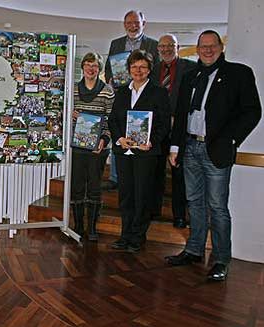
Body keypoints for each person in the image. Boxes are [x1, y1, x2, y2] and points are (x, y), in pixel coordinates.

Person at [165, 30, 261, 281]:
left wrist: (231, 139)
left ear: (221, 47)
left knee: (217, 207)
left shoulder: (238, 74)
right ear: (196, 49)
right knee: (194, 203)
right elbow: (180, 115)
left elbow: (252, 111)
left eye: (212, 46)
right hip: (189, 148)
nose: (207, 50)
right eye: (203, 46)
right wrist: (175, 147)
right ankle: (194, 250)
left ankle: (220, 259)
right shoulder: (189, 77)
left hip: (216, 150)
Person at [108, 50, 170, 253]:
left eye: (142, 66)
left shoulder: (159, 92)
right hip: (124, 152)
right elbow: (113, 120)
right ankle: (125, 236)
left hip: (146, 152)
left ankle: (137, 236)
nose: (138, 70)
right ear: (128, 69)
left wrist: (151, 141)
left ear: (150, 69)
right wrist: (119, 138)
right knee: (126, 195)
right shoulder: (122, 92)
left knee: (142, 195)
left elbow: (163, 125)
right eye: (134, 67)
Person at [103, 10, 160, 191]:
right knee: (118, 131)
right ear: (124, 24)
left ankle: (136, 174)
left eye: (136, 22)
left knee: (139, 130)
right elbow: (109, 68)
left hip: (143, 96)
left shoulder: (153, 44)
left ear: (144, 23)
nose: (133, 25)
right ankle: (114, 176)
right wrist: (111, 80)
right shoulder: (116, 43)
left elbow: (155, 71)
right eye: (129, 22)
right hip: (122, 95)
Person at [150, 34, 197, 227]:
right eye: (163, 46)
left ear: (178, 47)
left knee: (179, 173)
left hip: (180, 127)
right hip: (157, 127)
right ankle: (153, 210)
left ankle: (179, 215)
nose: (166, 49)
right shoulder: (152, 70)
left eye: (171, 45)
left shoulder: (191, 67)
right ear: (158, 49)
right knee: (155, 171)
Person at [71, 52, 114, 242]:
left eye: (95, 65)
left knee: (95, 187)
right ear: (82, 67)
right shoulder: (71, 90)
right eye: (88, 64)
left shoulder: (107, 91)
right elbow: (61, 118)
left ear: (100, 69)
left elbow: (111, 120)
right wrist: (68, 113)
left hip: (99, 147)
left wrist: (104, 139)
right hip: (77, 147)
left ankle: (92, 227)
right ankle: (78, 225)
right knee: (77, 187)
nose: (91, 68)